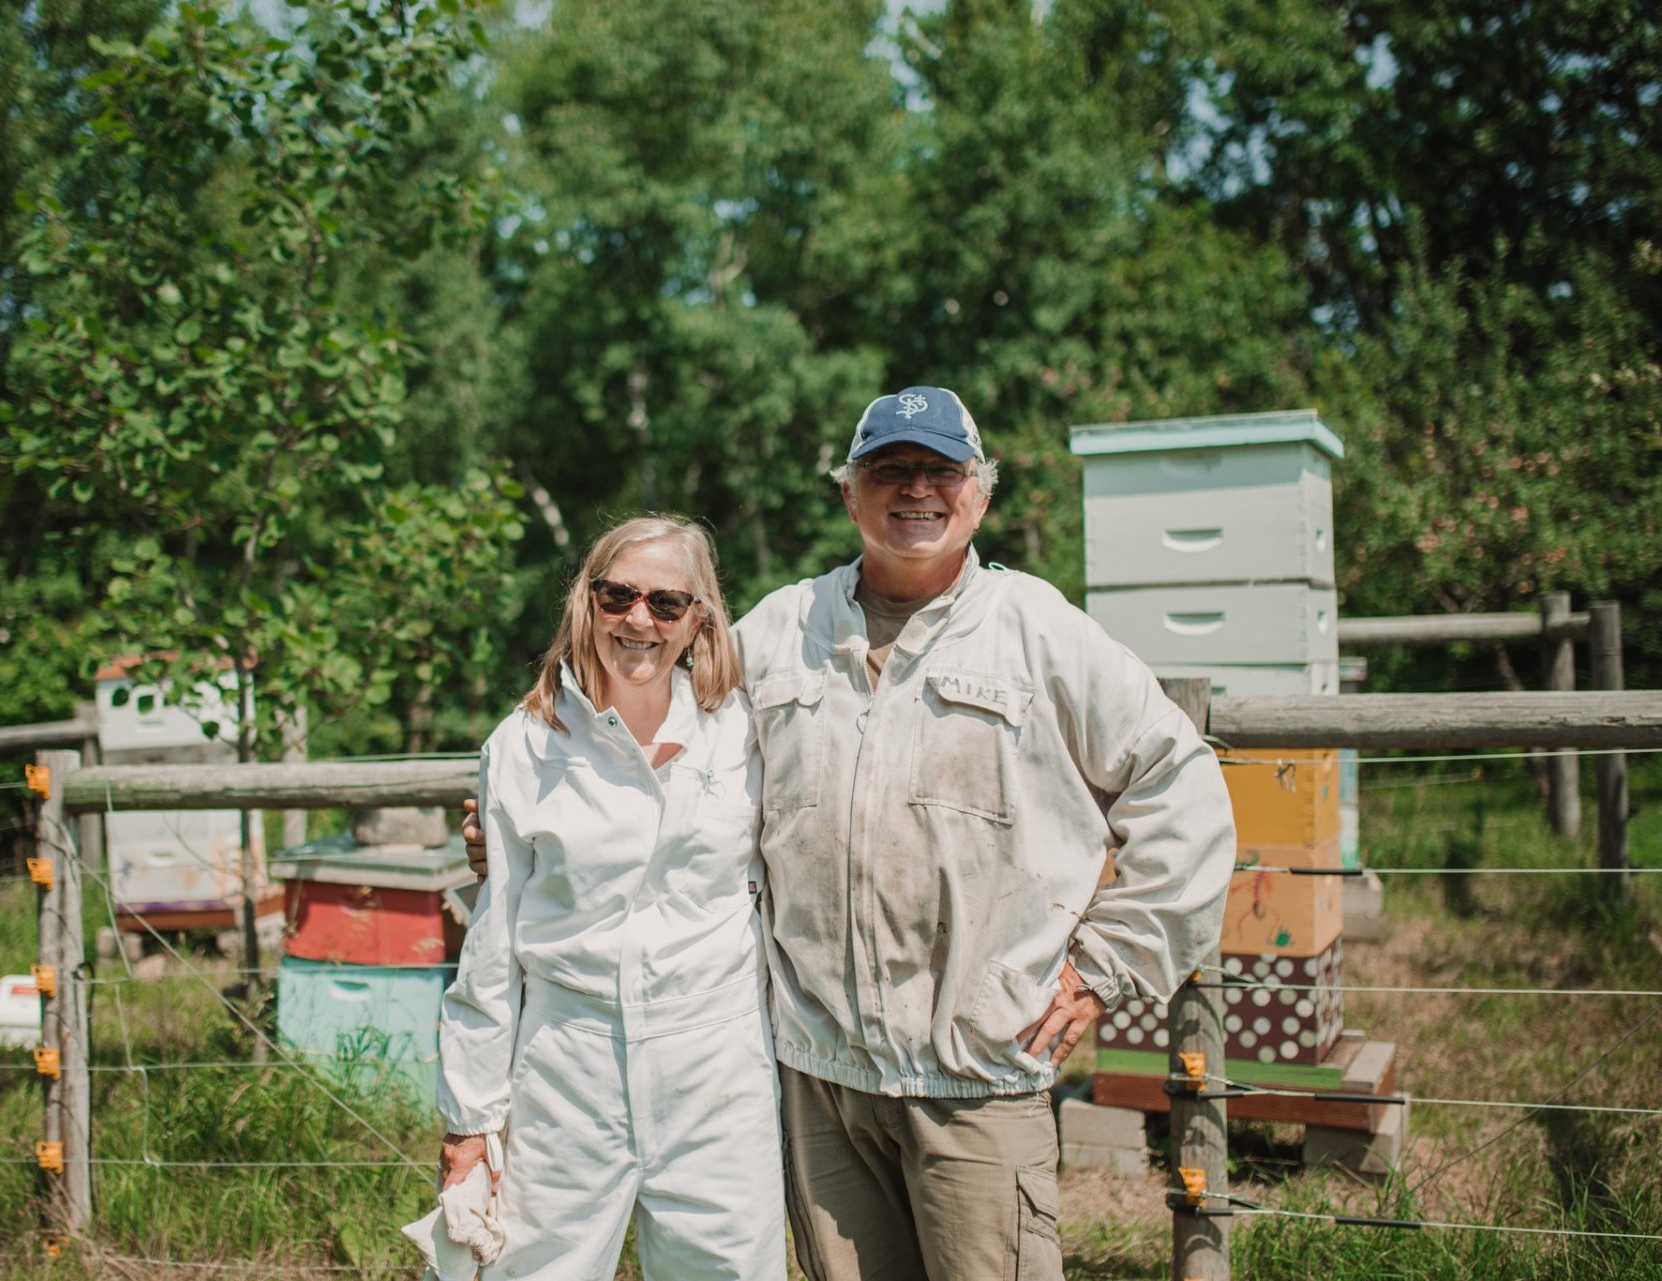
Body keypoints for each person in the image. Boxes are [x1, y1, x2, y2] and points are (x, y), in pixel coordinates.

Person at [466, 387, 1235, 1280]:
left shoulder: (1041, 634)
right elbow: (667, 752)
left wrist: (1109, 963)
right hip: (820, 1081)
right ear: (848, 493)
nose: (917, 490)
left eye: (942, 471)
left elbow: (1182, 790)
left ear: (980, 493)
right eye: (890, 469)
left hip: (977, 1070)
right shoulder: (779, 632)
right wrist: (523, 828)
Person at [436, 515, 786, 1281]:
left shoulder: (745, 735)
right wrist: (469, 1121)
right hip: (568, 1062)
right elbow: (493, 944)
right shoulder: (526, 744)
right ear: (585, 602)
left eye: (666, 603)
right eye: (617, 594)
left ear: (700, 619)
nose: (639, 619)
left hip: (717, 1064)